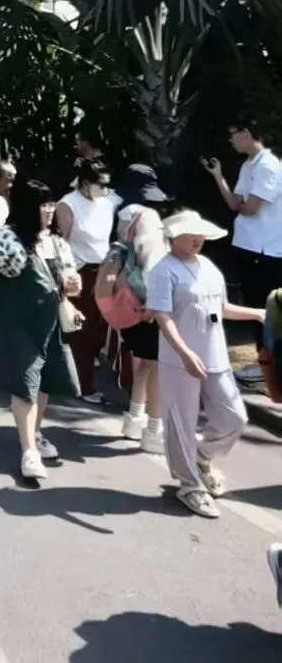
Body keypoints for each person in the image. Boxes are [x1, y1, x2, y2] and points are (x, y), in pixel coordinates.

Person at [147, 209, 265, 519]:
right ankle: (189, 485)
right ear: (173, 237)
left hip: (216, 355)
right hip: (179, 360)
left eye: (199, 234)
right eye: (188, 234)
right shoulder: (163, 270)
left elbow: (221, 307)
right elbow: (162, 317)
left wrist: (257, 313)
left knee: (234, 417)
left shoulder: (209, 266)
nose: (196, 239)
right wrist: (185, 353)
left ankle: (202, 455)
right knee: (181, 423)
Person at [0, 178, 82, 481]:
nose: (49, 210)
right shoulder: (7, 237)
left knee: (45, 383)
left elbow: (69, 283)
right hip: (16, 322)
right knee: (26, 384)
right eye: (43, 205)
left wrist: (73, 287)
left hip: (49, 322)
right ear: (29, 207)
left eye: (51, 204)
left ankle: (35, 433)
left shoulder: (57, 242)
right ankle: (28, 451)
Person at [203, 117, 282, 353]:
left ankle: (271, 360)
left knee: (267, 311)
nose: (231, 140)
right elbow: (235, 204)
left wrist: (242, 204)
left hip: (265, 250)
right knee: (255, 309)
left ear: (245, 133)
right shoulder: (248, 165)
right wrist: (218, 176)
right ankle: (265, 359)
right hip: (248, 246)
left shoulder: (267, 166)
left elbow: (249, 209)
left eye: (233, 134)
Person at [112, 170, 171, 453]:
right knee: (157, 366)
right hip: (148, 301)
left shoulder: (123, 215)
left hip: (128, 300)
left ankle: (134, 419)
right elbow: (151, 260)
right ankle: (153, 430)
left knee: (143, 362)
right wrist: (156, 303)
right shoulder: (148, 216)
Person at [55, 158, 121, 403]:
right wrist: (64, 279)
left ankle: (86, 378)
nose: (104, 189)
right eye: (100, 184)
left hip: (105, 270)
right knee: (82, 331)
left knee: (101, 329)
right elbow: (62, 243)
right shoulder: (68, 204)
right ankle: (84, 386)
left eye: (106, 184)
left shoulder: (107, 203)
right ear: (84, 183)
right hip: (79, 272)